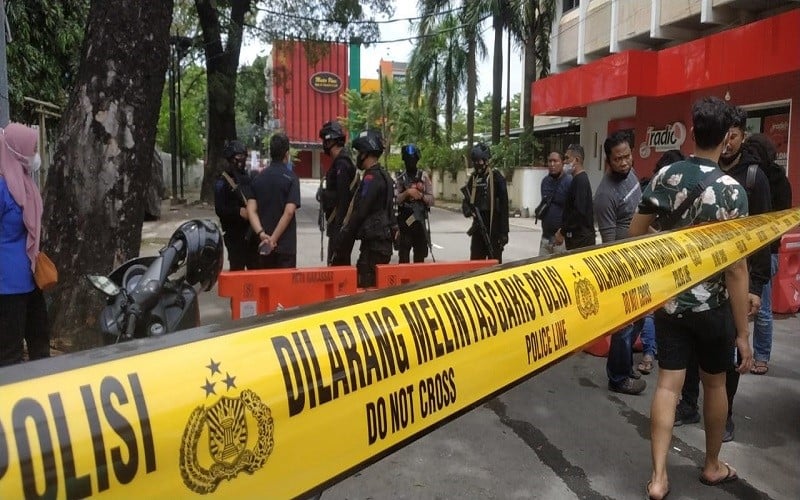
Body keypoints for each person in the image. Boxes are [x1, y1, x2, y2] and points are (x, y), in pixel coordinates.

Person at [629, 96, 754, 500]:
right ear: (726, 139)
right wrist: (743, 333)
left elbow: (635, 235)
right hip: (714, 308)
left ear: (694, 130)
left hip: (670, 304)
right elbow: (736, 270)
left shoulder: (666, 176)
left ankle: (659, 478)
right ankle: (712, 466)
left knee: (667, 385)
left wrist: (668, 247)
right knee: (715, 386)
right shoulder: (733, 192)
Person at [674, 106, 771, 443]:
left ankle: (725, 415)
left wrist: (755, 286)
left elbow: (762, 237)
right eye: (725, 136)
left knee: (727, 357)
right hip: (693, 287)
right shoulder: (697, 172)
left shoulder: (753, 177)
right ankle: (688, 404)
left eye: (733, 135)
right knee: (688, 354)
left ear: (741, 134)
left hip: (733, 283)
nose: (727, 141)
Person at [594, 131, 646, 395]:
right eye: (618, 159)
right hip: (624, 266)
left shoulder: (632, 177)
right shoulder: (605, 195)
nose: (624, 163)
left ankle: (625, 365)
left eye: (627, 156)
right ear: (608, 160)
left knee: (638, 319)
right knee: (624, 324)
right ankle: (617, 377)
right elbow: (609, 243)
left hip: (642, 260)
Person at [0, 123, 51, 366]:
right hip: (7, 287)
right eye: (32, 149)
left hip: (31, 279)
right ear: (16, 151)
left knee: (40, 345)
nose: (35, 155)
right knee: (10, 353)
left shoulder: (26, 183)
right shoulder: (2, 188)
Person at [744, 132, 793, 375]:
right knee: (745, 306)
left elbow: (782, 220)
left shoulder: (773, 180)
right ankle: (749, 355)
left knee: (761, 307)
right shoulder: (753, 176)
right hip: (752, 250)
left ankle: (760, 356)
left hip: (767, 251)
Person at [636, 149, 685, 375]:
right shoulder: (679, 191)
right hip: (665, 255)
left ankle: (649, 353)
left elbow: (636, 227)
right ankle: (655, 352)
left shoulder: (651, 188)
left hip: (651, 254)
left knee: (650, 306)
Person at [333, 130, 395, 288]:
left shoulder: (371, 178)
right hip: (383, 245)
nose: (358, 156)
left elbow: (360, 211)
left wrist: (344, 237)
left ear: (366, 153)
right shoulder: (385, 176)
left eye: (360, 152)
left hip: (373, 247)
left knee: (366, 287)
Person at [247, 133, 301, 269]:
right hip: (285, 247)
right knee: (285, 287)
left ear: (270, 153)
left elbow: (251, 210)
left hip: (262, 246)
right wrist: (273, 240)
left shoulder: (258, 179)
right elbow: (289, 212)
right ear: (286, 154)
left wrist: (262, 235)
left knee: (265, 287)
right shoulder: (292, 178)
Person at [214, 139, 259, 270]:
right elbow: (220, 209)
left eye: (244, 156)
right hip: (234, 234)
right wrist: (238, 211)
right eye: (239, 156)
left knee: (254, 268)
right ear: (231, 158)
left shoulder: (248, 177)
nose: (242, 159)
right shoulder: (222, 181)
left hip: (251, 233)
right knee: (237, 268)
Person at [461, 143, 509, 263]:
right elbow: (465, 202)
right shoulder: (473, 179)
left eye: (481, 161)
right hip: (478, 228)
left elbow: (504, 207)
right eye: (475, 161)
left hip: (494, 228)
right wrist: (469, 211)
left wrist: (504, 232)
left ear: (486, 160)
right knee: (476, 264)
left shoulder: (496, 178)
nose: (478, 164)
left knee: (494, 264)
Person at [318, 120, 357, 266]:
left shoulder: (342, 164)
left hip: (339, 226)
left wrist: (341, 230)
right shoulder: (340, 162)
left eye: (324, 141)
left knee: (337, 266)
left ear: (330, 141)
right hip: (337, 225)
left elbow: (343, 199)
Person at [395, 144, 434, 263]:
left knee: (420, 258)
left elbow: (432, 199)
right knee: (404, 257)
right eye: (407, 160)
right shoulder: (400, 177)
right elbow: (395, 199)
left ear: (417, 160)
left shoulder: (423, 177)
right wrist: (407, 193)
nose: (410, 162)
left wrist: (421, 196)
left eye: (412, 160)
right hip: (405, 223)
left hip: (420, 223)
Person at [555, 144, 595, 250]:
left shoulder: (581, 181)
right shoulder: (576, 180)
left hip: (581, 241)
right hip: (576, 239)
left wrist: (562, 231)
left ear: (576, 160)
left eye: (567, 158)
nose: (564, 162)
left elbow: (578, 212)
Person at [537, 151, 572, 256]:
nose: (552, 164)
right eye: (550, 161)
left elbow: (572, 211)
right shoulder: (545, 182)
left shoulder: (569, 182)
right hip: (545, 238)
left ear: (562, 163)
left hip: (561, 239)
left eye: (555, 161)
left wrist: (563, 232)